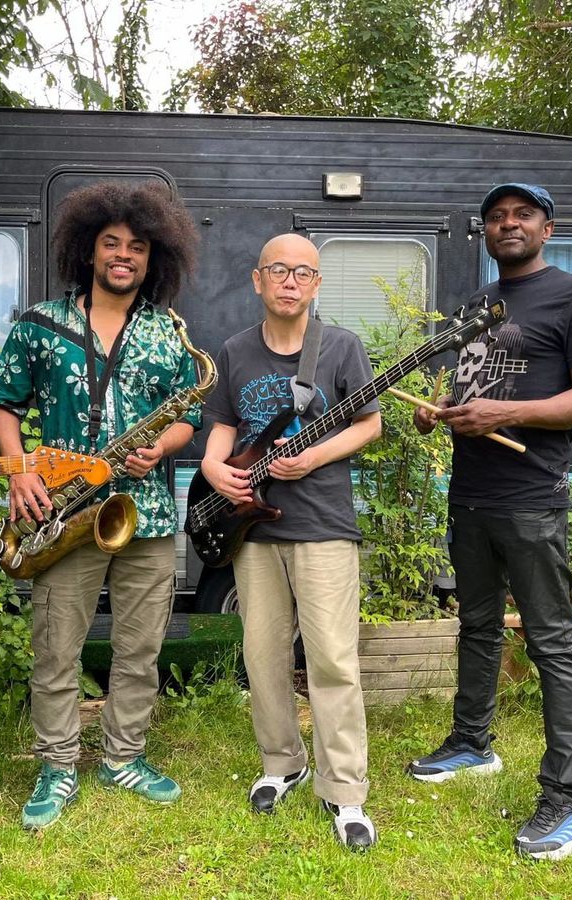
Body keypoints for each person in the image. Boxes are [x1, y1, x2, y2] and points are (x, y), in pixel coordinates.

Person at [0, 180, 202, 830]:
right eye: (112, 243)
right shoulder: (40, 324)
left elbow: (189, 415)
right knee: (57, 648)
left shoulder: (170, 333)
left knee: (139, 648)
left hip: (148, 515)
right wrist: (20, 467)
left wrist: (160, 447)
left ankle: (123, 757)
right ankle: (56, 766)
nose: (124, 256)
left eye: (137, 246)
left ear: (153, 257)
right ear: (88, 250)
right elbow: (2, 403)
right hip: (62, 514)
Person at [409, 183, 572, 860]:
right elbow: (475, 386)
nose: (507, 224)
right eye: (496, 217)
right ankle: (472, 744)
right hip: (470, 494)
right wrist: (440, 407)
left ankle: (566, 799)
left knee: (552, 642)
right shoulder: (479, 305)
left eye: (521, 215)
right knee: (475, 625)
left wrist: (507, 416)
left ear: (547, 228)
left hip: (532, 499)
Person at [199, 233, 383, 850]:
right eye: (277, 269)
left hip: (324, 524)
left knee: (332, 658)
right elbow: (222, 429)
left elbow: (370, 423)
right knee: (263, 655)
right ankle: (283, 763)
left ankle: (345, 791)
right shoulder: (234, 351)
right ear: (257, 280)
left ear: (316, 285)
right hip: (252, 528)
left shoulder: (341, 348)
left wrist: (312, 459)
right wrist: (211, 470)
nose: (289, 281)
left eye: (303, 272)